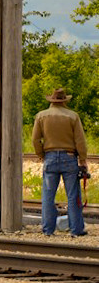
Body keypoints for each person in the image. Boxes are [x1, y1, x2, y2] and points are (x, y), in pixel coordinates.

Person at [31, 88, 89, 237]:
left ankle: (48, 230)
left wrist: (41, 154)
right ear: (64, 101)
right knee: (73, 195)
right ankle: (76, 230)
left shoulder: (41, 116)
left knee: (48, 196)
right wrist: (82, 159)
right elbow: (80, 140)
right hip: (69, 158)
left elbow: (35, 140)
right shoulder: (72, 116)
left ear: (51, 100)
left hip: (50, 158)